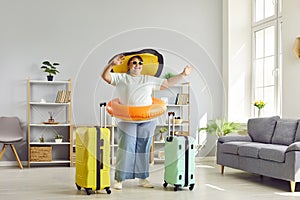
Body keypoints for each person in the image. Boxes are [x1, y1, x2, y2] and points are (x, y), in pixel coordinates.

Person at [101, 54, 193, 190]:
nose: (137, 65)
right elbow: (105, 77)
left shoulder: (148, 79)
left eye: (140, 63)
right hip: (128, 119)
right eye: (134, 62)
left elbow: (167, 84)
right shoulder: (121, 78)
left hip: (147, 120)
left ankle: (142, 178)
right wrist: (111, 65)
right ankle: (119, 179)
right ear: (129, 65)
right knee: (126, 148)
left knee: (143, 149)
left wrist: (183, 74)